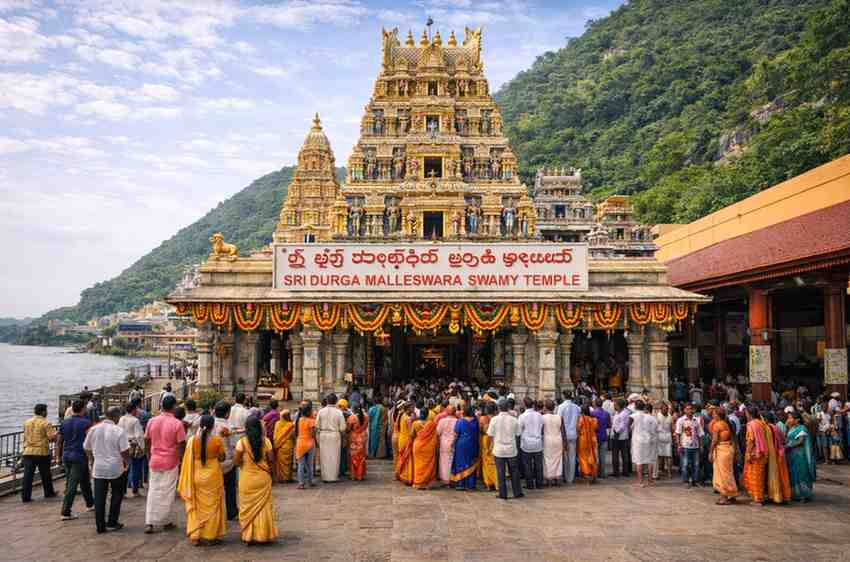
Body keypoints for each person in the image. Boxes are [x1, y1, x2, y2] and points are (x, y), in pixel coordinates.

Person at [177, 415, 226, 546]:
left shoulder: (192, 440)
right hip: (213, 475)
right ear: (213, 426)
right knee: (213, 506)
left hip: (197, 474)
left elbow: (188, 458)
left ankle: (197, 534)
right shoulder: (217, 440)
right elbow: (222, 458)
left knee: (197, 505)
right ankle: (210, 536)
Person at [144, 395, 187, 533]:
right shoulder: (177, 423)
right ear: (174, 407)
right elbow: (181, 444)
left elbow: (147, 440)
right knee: (167, 493)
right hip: (170, 460)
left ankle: (149, 522)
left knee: (153, 491)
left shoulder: (152, 421)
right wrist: (181, 460)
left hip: (155, 459)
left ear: (162, 406)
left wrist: (149, 456)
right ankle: (165, 520)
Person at [84, 406, 129, 533]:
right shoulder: (119, 431)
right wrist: (127, 462)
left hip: (99, 468)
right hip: (116, 467)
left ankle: (100, 525)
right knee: (116, 494)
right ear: (116, 416)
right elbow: (124, 450)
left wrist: (91, 459)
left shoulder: (93, 429)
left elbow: (86, 447)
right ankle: (112, 522)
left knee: (99, 497)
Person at [235, 416, 278, 545]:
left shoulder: (241, 443)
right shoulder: (266, 442)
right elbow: (271, 460)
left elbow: (237, 462)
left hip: (246, 480)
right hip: (263, 479)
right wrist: (274, 476)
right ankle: (263, 535)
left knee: (247, 507)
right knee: (264, 508)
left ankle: (249, 535)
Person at [57, 399, 93, 520]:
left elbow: (59, 442)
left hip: (66, 455)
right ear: (83, 409)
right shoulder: (86, 423)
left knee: (84, 481)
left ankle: (90, 503)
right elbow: (90, 442)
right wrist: (92, 457)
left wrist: (58, 457)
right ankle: (65, 511)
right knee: (72, 485)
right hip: (79, 456)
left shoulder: (64, 423)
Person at [21, 403, 57, 503]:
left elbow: (25, 436)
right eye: (46, 410)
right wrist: (56, 434)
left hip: (27, 451)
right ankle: (48, 492)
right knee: (45, 474)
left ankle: (25, 497)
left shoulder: (27, 422)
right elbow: (52, 438)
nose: (47, 412)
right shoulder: (46, 423)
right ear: (43, 412)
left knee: (28, 476)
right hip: (41, 452)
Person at [488, 399, 523, 500]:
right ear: (508, 408)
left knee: (500, 472)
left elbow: (490, 434)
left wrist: (491, 444)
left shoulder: (494, 420)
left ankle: (503, 494)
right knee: (514, 471)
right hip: (511, 449)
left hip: (499, 449)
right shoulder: (514, 420)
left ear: (498, 408)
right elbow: (518, 434)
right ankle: (517, 492)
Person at [211, 401, 238, 520]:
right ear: (227, 413)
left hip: (211, 461)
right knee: (230, 489)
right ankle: (231, 512)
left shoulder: (208, 425)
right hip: (227, 461)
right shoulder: (229, 427)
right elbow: (233, 445)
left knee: (213, 490)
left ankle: (214, 512)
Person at [709, 408, 738, 505]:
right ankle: (732, 494)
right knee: (728, 473)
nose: (712, 416)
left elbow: (714, 440)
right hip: (728, 449)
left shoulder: (717, 425)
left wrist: (710, 452)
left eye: (713, 414)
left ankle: (724, 497)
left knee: (722, 474)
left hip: (721, 449)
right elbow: (733, 439)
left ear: (717, 415)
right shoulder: (727, 423)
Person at [785, 412, 816, 502]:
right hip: (791, 455)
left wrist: (789, 446)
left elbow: (801, 441)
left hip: (800, 455)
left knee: (801, 473)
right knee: (793, 474)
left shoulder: (802, 428)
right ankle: (795, 494)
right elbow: (787, 439)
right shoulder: (791, 428)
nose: (789, 420)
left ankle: (804, 495)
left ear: (797, 419)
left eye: (790, 418)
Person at [316, 394, 347, 483]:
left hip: (323, 435)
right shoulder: (339, 412)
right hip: (335, 435)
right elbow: (342, 428)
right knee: (334, 456)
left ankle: (325, 476)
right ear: (336, 401)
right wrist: (344, 439)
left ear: (327, 401)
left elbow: (317, 426)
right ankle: (333, 476)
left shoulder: (321, 412)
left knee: (324, 456)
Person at [743, 406, 769, 505]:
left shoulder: (751, 424)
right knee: (760, 475)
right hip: (762, 452)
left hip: (754, 453)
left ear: (749, 414)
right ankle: (759, 497)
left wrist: (749, 453)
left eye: (746, 413)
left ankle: (757, 499)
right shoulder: (760, 423)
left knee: (753, 476)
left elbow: (751, 440)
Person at [119, 403, 145, 498]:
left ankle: (123, 491)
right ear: (133, 410)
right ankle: (135, 490)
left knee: (124, 468)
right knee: (136, 468)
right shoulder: (135, 420)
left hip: (123, 444)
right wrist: (142, 447)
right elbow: (139, 436)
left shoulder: (121, 419)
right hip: (134, 445)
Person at [451, 406, 480, 490]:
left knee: (460, 462)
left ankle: (461, 484)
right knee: (471, 462)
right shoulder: (475, 421)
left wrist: (452, 444)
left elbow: (456, 434)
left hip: (461, 445)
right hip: (472, 444)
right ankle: (470, 484)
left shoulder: (460, 421)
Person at [519, 397, 544, 490]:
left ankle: (530, 484)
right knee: (538, 465)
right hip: (537, 443)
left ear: (524, 405)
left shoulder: (522, 416)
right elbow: (542, 427)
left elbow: (519, 430)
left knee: (527, 465)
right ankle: (539, 483)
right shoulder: (539, 415)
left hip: (526, 444)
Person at [675, 403, 703, 488]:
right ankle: (686, 481)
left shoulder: (696, 420)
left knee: (696, 464)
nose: (689, 411)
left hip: (695, 446)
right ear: (684, 410)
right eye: (687, 409)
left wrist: (701, 445)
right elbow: (678, 433)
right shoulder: (681, 420)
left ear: (693, 410)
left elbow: (700, 434)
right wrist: (679, 445)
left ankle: (695, 481)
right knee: (685, 464)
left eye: (691, 409)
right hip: (685, 446)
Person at [411, 408, 438, 489]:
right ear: (427, 415)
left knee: (418, 464)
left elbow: (412, 435)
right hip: (429, 447)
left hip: (418, 445)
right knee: (428, 465)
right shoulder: (432, 424)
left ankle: (418, 483)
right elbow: (435, 436)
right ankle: (427, 483)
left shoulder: (415, 423)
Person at [556, 391, 580, 484]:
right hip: (573, 434)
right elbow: (578, 420)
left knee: (565, 457)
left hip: (564, 434)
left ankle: (566, 476)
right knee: (572, 456)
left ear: (564, 396)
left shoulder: (561, 407)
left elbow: (559, 421)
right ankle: (571, 477)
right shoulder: (576, 407)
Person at [295, 402, 317, 489]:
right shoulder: (311, 421)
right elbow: (312, 434)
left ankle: (301, 483)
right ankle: (310, 481)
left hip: (300, 443)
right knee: (310, 464)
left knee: (301, 464)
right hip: (310, 443)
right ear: (309, 412)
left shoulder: (299, 420)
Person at [542, 399, 563, 485]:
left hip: (547, 440)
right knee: (558, 459)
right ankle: (557, 477)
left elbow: (541, 430)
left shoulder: (543, 417)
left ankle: (548, 478)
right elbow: (563, 431)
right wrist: (565, 443)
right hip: (558, 439)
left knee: (547, 459)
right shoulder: (559, 417)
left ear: (545, 407)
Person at [436, 405, 458, 486]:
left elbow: (437, 432)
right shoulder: (457, 421)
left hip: (444, 443)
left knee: (444, 461)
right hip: (454, 443)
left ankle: (445, 480)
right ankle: (452, 478)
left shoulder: (442, 421)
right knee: (452, 460)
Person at [577, 404, 599, 483]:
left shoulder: (581, 419)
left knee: (583, 457)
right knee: (592, 456)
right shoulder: (594, 419)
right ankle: (593, 474)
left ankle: (587, 473)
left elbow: (578, 429)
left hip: (583, 440)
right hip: (593, 440)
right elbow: (596, 428)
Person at [479, 401, 498, 491]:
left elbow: (482, 429)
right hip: (495, 440)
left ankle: (489, 483)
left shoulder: (483, 418)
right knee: (494, 462)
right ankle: (495, 482)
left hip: (486, 440)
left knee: (486, 462)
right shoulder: (497, 418)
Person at [273, 409, 296, 483]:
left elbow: (275, 436)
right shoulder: (291, 425)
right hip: (288, 446)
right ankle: (288, 477)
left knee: (281, 463)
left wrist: (276, 443)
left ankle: (282, 478)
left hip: (279, 446)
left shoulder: (277, 424)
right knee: (289, 463)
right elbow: (293, 436)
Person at [347, 404, 369, 481]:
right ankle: (361, 475)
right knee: (361, 457)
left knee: (353, 456)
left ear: (353, 409)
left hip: (354, 438)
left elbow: (349, 428)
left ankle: (354, 475)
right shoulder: (366, 416)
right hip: (363, 437)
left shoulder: (352, 418)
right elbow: (366, 426)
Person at [611, 399, 631, 478]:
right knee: (615, 455)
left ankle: (624, 471)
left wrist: (616, 432)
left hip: (620, 436)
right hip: (616, 435)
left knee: (623, 454)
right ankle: (616, 471)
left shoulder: (624, 414)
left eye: (615, 405)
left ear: (619, 406)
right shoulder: (617, 413)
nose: (614, 406)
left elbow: (623, 425)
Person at [590, 398, 610, 479]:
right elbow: (609, 425)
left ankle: (594, 473)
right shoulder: (607, 413)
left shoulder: (592, 413)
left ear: (595, 404)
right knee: (602, 457)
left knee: (595, 456)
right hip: (604, 436)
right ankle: (602, 473)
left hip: (595, 436)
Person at [395, 402, 415, 484]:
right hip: (407, 440)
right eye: (412, 408)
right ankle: (406, 476)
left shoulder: (402, 416)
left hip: (401, 439)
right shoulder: (408, 419)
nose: (413, 409)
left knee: (401, 458)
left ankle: (399, 474)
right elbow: (411, 432)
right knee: (407, 459)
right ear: (408, 409)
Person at [655, 403, 673, 479]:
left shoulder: (669, 416)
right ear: (661, 409)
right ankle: (660, 471)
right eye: (665, 409)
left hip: (666, 436)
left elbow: (671, 427)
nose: (666, 410)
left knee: (667, 455)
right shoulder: (658, 415)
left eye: (667, 409)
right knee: (661, 455)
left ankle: (668, 472)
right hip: (661, 436)